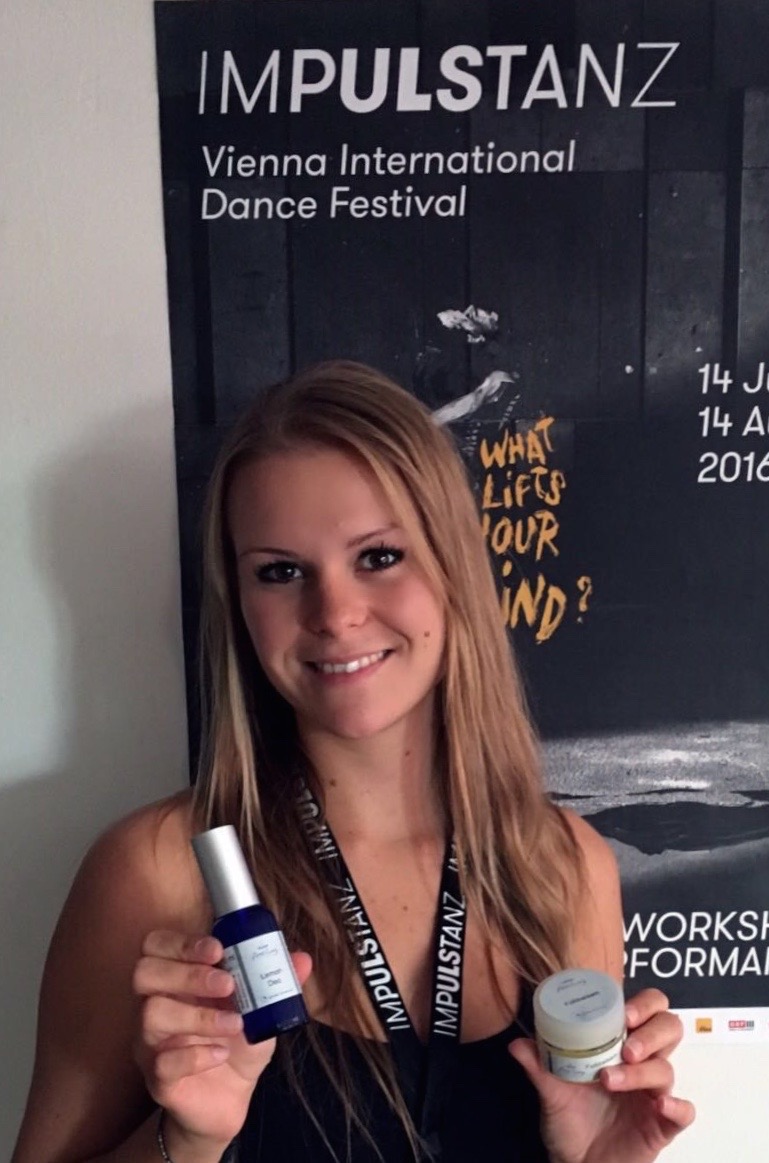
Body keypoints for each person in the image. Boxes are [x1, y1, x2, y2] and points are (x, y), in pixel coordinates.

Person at [13, 361, 694, 1163]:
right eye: (280, 571)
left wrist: (601, 1160)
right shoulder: (157, 872)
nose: (334, 613)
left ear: (452, 566)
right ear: (240, 605)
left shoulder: (564, 866)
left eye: (377, 556)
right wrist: (187, 1140)